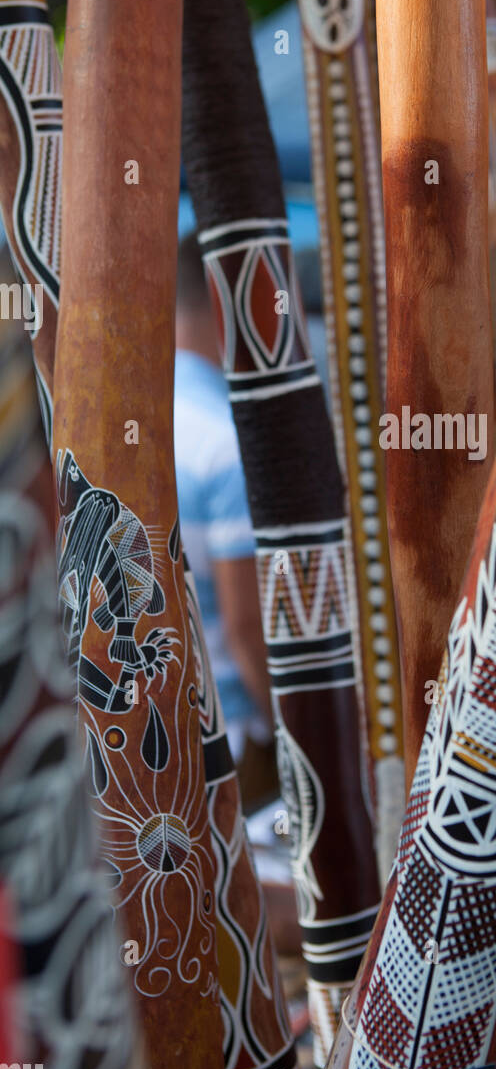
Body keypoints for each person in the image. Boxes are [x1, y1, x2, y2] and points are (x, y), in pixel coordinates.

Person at [174, 231, 277, 809]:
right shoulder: (226, 444)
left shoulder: (112, 429)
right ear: (230, 305)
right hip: (230, 748)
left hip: (142, 745)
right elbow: (246, 631)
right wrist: (295, 739)